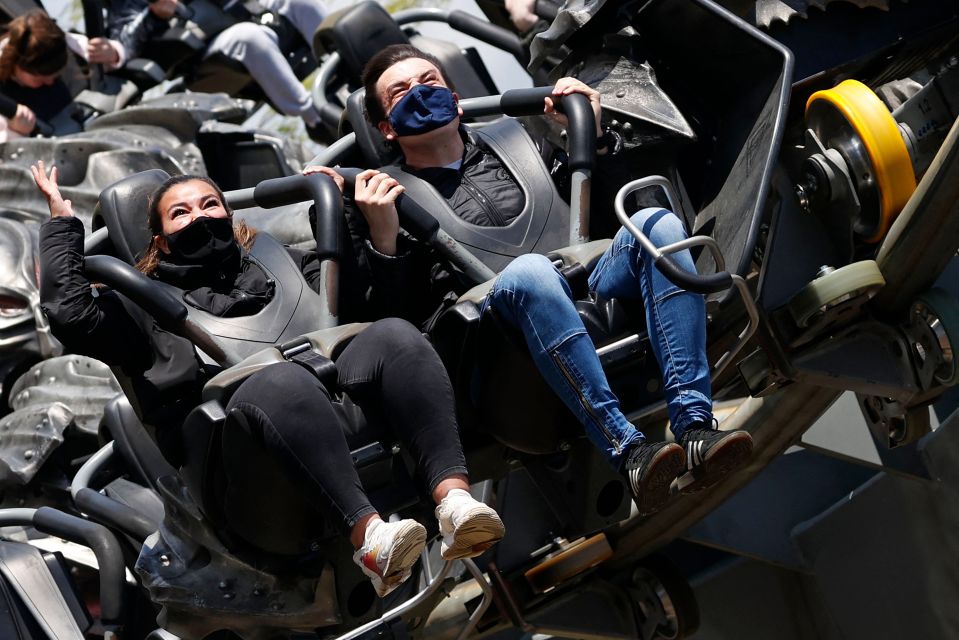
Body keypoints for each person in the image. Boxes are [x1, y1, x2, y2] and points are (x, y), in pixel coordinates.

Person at [313, 44, 755, 517]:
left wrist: (593, 137)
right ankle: (628, 451)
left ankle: (694, 428)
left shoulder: (523, 142)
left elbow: (605, 215)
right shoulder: (378, 198)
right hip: (487, 342)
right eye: (401, 93)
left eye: (430, 83)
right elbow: (395, 330)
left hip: (579, 284)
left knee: (658, 226)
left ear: (455, 98)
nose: (420, 94)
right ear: (385, 128)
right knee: (531, 272)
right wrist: (383, 239)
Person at [32, 161, 504, 597]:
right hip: (245, 473)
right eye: (180, 213)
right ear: (159, 240)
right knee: (279, 380)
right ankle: (371, 541)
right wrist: (60, 227)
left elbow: (364, 304)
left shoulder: (281, 263)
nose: (199, 217)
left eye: (209, 204)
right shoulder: (139, 307)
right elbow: (70, 315)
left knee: (397, 336)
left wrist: (343, 212)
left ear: (230, 215)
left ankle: (456, 502)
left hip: (336, 409)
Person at [106, 0, 328, 134]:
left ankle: (348, 64)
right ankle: (318, 119)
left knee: (300, 2)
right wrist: (154, 14)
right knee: (251, 38)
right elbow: (125, 40)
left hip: (249, 11)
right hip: (203, 45)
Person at [0, 11, 126, 141]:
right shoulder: (4, 104)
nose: (50, 83)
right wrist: (15, 131)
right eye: (40, 80)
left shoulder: (60, 43)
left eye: (56, 76)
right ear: (15, 66)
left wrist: (113, 53)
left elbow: (109, 59)